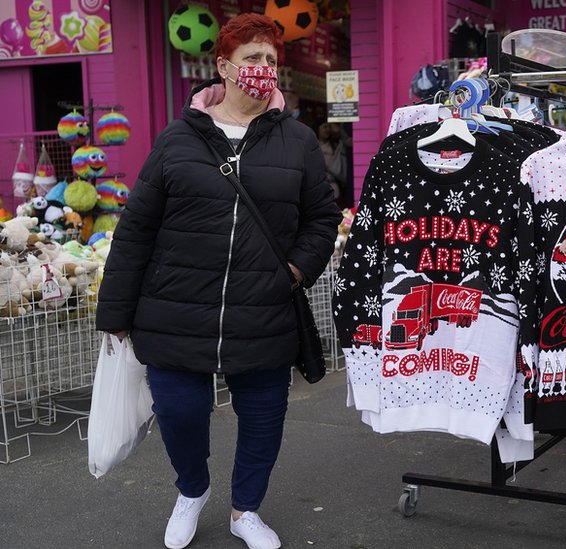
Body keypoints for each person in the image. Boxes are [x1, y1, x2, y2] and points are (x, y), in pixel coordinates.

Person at [96, 13, 340, 549]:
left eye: (271, 60)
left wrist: (296, 269)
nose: (263, 69)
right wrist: (114, 312)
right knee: (179, 412)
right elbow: (137, 226)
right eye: (252, 59)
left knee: (262, 420)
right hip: (176, 306)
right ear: (224, 67)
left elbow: (323, 218)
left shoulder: (296, 141)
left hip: (264, 307)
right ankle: (192, 490)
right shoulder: (178, 138)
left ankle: (245, 510)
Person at [318, 122, 351, 208]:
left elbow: (347, 141)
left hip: (334, 185)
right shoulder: (312, 145)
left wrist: (338, 130)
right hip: (319, 187)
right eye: (325, 127)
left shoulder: (336, 145)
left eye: (329, 127)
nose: (327, 130)